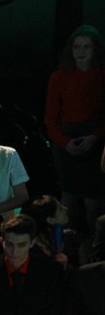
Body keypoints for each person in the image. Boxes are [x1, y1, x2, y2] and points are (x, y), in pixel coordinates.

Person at [43, 25, 104, 236]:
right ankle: (66, 247)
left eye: (86, 46)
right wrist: (65, 142)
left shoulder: (101, 75)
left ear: (95, 49)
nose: (81, 51)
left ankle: (95, 246)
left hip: (95, 140)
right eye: (77, 46)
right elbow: (50, 118)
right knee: (68, 200)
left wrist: (94, 137)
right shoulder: (59, 76)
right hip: (66, 141)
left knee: (93, 202)